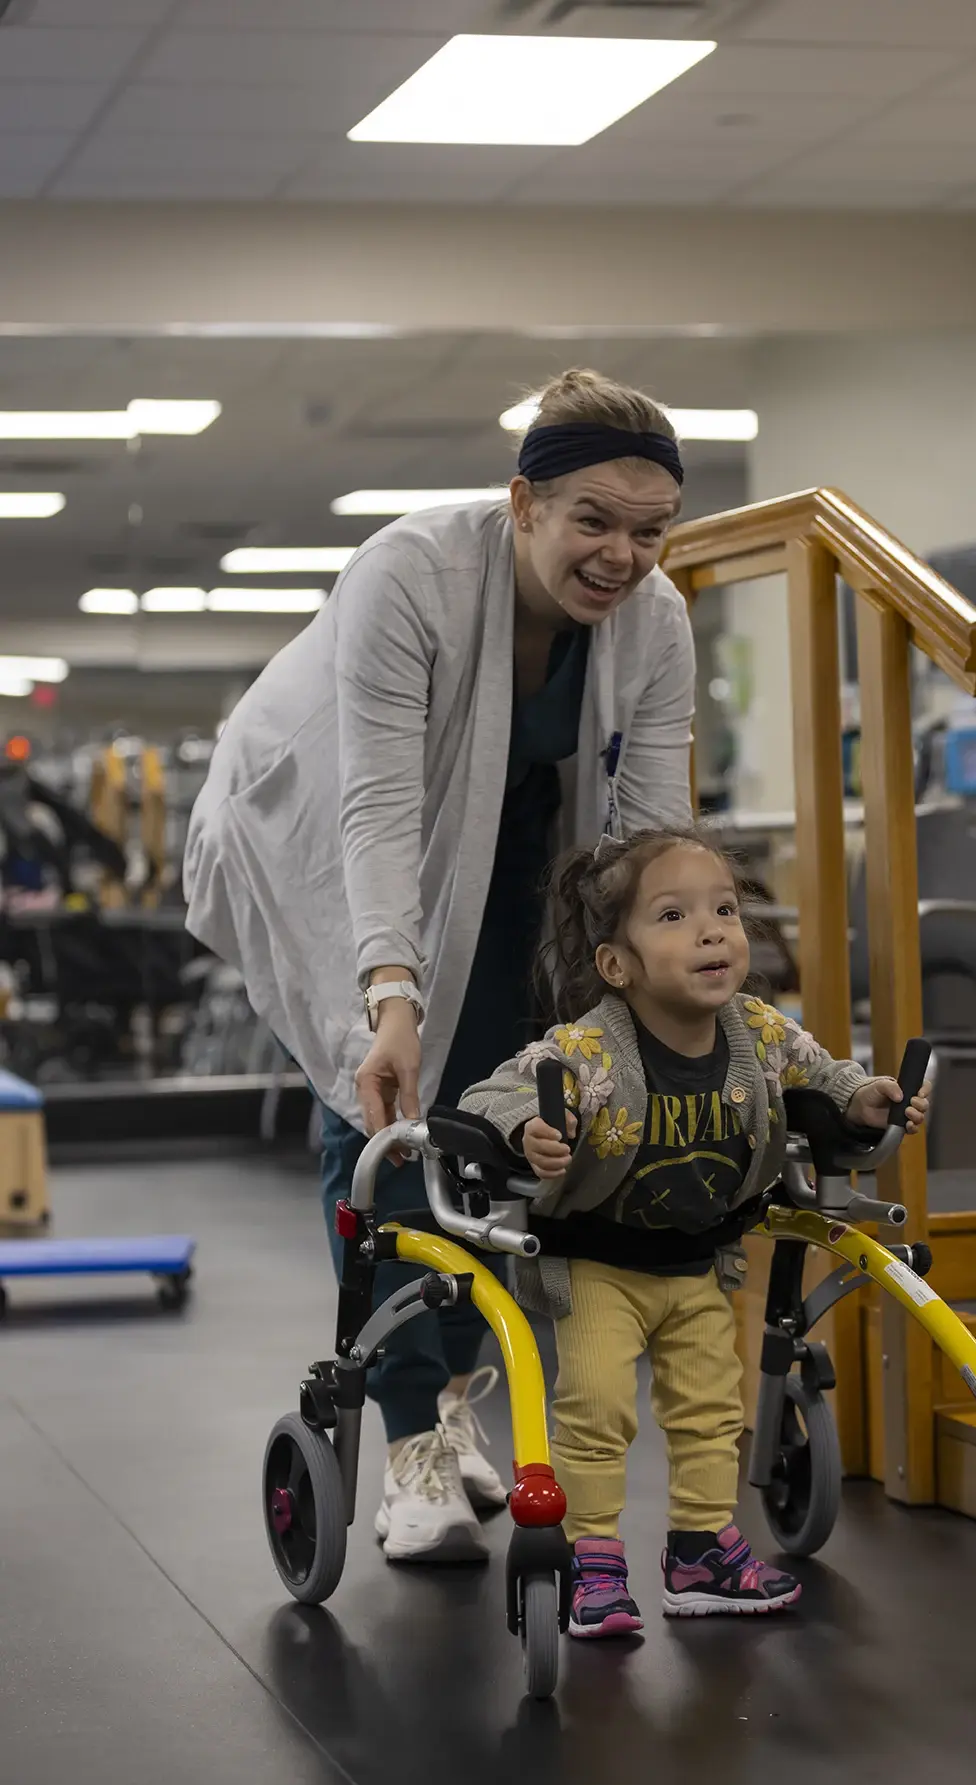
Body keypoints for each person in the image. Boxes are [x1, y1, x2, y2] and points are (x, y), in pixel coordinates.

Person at [183, 371, 696, 1563]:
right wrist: (391, 998)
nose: (624, 555)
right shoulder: (411, 570)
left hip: (512, 831)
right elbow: (373, 807)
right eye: (594, 522)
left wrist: (673, 989)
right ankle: (412, 1443)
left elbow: (655, 830)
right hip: (319, 826)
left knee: (513, 1116)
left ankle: (452, 1398)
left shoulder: (656, 617)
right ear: (523, 502)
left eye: (650, 531)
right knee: (389, 1116)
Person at [460, 827, 929, 1637]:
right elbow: (491, 1097)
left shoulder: (758, 1032)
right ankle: (591, 1559)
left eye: (723, 910)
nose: (712, 931)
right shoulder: (588, 1050)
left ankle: (700, 1552)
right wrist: (526, 1132)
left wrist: (866, 1100)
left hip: (697, 1262)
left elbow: (826, 1074)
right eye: (673, 916)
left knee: (711, 1410)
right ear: (617, 965)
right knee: (598, 1410)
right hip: (598, 1263)